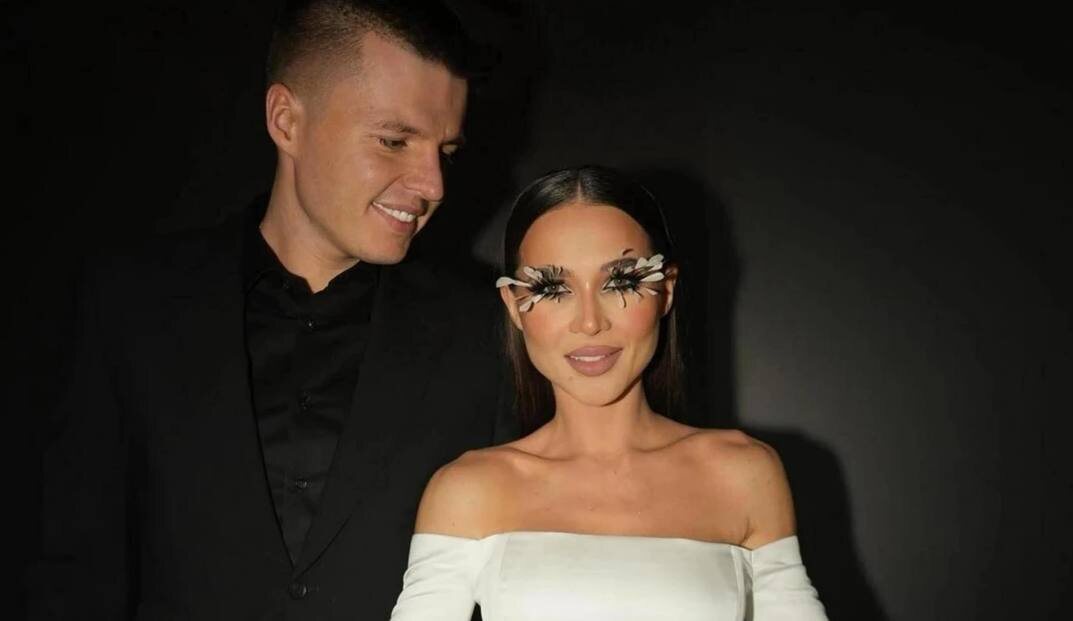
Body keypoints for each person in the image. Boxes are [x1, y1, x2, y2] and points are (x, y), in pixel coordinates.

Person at [28, 1, 509, 618]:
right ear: (286, 121)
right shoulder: (133, 306)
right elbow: (72, 569)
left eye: (446, 151)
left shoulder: (485, 331)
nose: (433, 185)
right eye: (394, 141)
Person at [391, 166, 828, 620]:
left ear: (665, 291)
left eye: (620, 282)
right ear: (515, 308)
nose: (589, 322)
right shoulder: (470, 490)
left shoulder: (743, 474)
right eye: (552, 288)